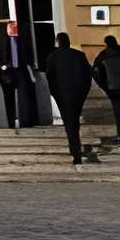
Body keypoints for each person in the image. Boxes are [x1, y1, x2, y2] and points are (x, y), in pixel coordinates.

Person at [44, 31, 97, 162]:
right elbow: (87, 76)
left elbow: (50, 78)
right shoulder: (79, 55)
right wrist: (83, 92)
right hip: (78, 93)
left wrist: (55, 94)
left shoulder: (52, 57)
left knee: (69, 122)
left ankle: (75, 149)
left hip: (62, 94)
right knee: (74, 121)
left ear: (58, 42)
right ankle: (75, 148)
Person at [0, 19, 39, 129]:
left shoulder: (22, 40)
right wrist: (4, 66)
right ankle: (11, 123)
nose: (12, 28)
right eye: (10, 26)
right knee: (9, 98)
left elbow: (28, 54)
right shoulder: (2, 40)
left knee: (26, 94)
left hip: (20, 70)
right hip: (7, 72)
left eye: (14, 26)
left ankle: (28, 121)